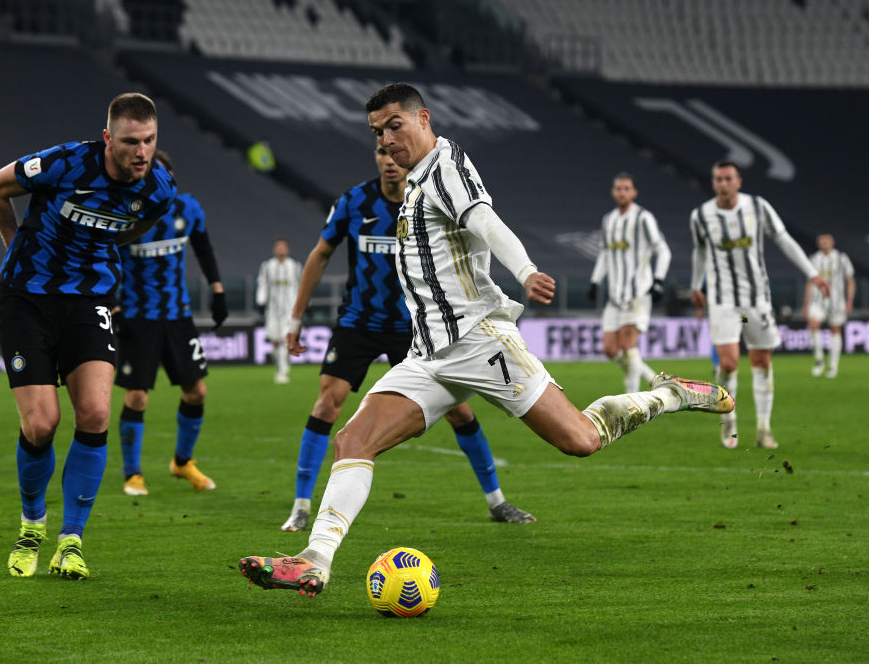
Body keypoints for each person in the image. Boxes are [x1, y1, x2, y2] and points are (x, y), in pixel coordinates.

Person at [238, 83, 733, 597]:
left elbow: (486, 223)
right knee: (353, 440)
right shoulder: (412, 183)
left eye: (394, 126)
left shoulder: (444, 168)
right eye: (377, 133)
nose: (386, 141)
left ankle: (670, 393)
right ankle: (314, 559)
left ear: (423, 119)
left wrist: (526, 269)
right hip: (428, 354)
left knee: (581, 440)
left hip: (480, 342)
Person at [279, 145, 535, 533]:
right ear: (376, 158)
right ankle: (300, 506)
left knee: (460, 411)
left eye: (391, 152)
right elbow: (319, 255)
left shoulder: (427, 201)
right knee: (327, 404)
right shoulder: (353, 202)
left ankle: (497, 501)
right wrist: (295, 317)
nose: (387, 159)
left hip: (417, 325)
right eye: (379, 152)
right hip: (359, 322)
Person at [0, 93, 177, 580]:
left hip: (88, 301)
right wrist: (15, 247)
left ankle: (72, 540)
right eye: (131, 142)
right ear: (109, 138)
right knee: (42, 424)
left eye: (149, 141)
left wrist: (100, 247)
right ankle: (32, 525)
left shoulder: (158, 188)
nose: (141, 152)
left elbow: (140, 223)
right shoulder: (64, 162)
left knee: (93, 413)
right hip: (26, 298)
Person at [689, 160, 829, 449]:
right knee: (728, 362)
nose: (723, 184)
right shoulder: (701, 216)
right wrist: (695, 285)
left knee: (761, 361)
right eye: (718, 179)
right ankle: (729, 418)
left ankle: (764, 428)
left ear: (738, 181)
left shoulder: (758, 207)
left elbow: (784, 240)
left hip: (757, 298)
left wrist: (812, 274)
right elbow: (700, 253)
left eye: (728, 179)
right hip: (722, 299)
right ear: (713, 183)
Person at [115, 150, 227, 497]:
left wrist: (217, 290)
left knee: (196, 391)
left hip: (177, 315)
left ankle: (182, 462)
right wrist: (113, 304)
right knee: (136, 397)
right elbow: (106, 257)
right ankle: (132, 473)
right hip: (138, 317)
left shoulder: (187, 208)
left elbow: (204, 248)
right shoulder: (126, 212)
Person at [587, 173, 671, 392]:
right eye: (618, 188)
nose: (622, 192)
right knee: (609, 349)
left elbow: (663, 250)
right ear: (613, 192)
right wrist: (595, 281)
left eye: (626, 188)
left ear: (634, 192)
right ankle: (654, 379)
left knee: (627, 346)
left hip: (638, 293)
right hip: (615, 296)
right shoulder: (608, 220)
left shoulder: (643, 217)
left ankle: (631, 401)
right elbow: (605, 253)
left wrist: (658, 280)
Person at [803, 233, 854, 379]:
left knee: (835, 330)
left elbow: (850, 280)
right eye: (821, 241)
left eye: (826, 241)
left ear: (832, 242)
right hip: (817, 300)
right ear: (819, 244)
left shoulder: (842, 258)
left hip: (837, 301)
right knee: (813, 325)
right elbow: (809, 282)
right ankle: (819, 359)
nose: (824, 244)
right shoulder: (814, 259)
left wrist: (849, 301)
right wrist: (806, 304)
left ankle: (833, 365)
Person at [256, 238, 302, 384]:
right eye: (278, 247)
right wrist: (261, 301)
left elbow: (301, 285)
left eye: (283, 247)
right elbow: (262, 284)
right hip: (272, 311)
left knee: (284, 339)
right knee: (275, 341)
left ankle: (282, 372)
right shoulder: (267, 266)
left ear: (287, 249)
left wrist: (305, 304)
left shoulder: (294, 266)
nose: (281, 250)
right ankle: (281, 365)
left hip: (290, 310)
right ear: (275, 250)